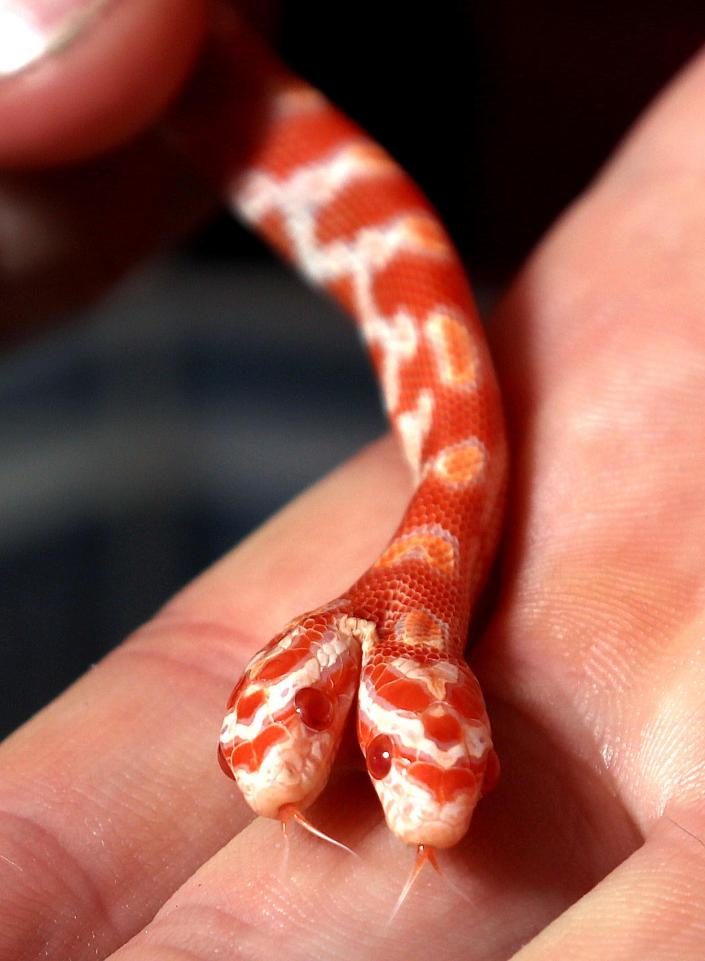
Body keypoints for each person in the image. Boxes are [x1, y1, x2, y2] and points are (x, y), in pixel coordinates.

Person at [1, 2, 705, 958]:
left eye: (379, 755)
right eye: (374, 754)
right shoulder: (402, 607)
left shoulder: (406, 612)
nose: (417, 809)